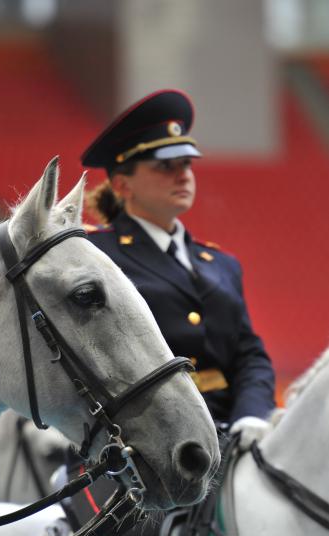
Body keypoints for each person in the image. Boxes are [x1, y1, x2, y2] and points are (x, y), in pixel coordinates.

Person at [80, 88, 276, 436]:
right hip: (143, 441)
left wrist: (251, 417)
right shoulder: (97, 257)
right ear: (123, 184)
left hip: (231, 431)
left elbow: (250, 357)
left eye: (186, 164)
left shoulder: (221, 263)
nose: (183, 175)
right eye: (165, 166)